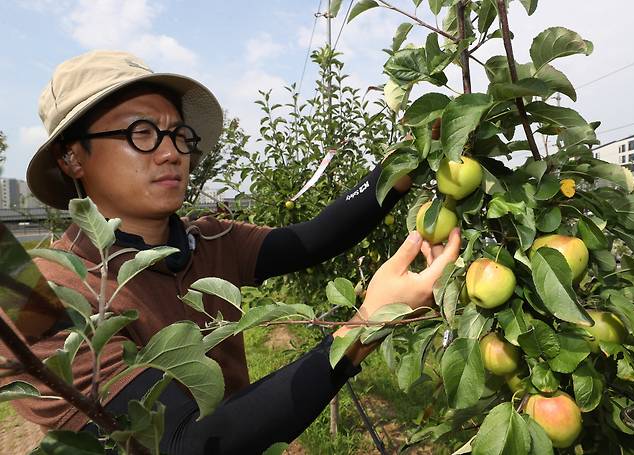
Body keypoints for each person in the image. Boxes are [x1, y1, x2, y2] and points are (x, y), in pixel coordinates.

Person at [3, 50, 461, 453]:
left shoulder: (206, 240)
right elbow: (185, 443)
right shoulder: (33, 295)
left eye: (178, 135)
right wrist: (363, 327)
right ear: (72, 158)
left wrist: (407, 158)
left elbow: (316, 237)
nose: (171, 154)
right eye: (141, 132)